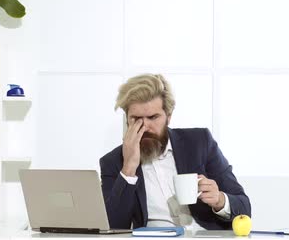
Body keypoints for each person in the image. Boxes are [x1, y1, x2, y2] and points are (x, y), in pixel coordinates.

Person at [99, 74, 251, 230]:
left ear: (168, 117)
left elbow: (244, 208)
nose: (145, 127)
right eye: (136, 119)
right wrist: (129, 168)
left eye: (153, 117)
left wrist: (219, 200)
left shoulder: (199, 142)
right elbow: (112, 227)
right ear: (127, 120)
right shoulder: (113, 162)